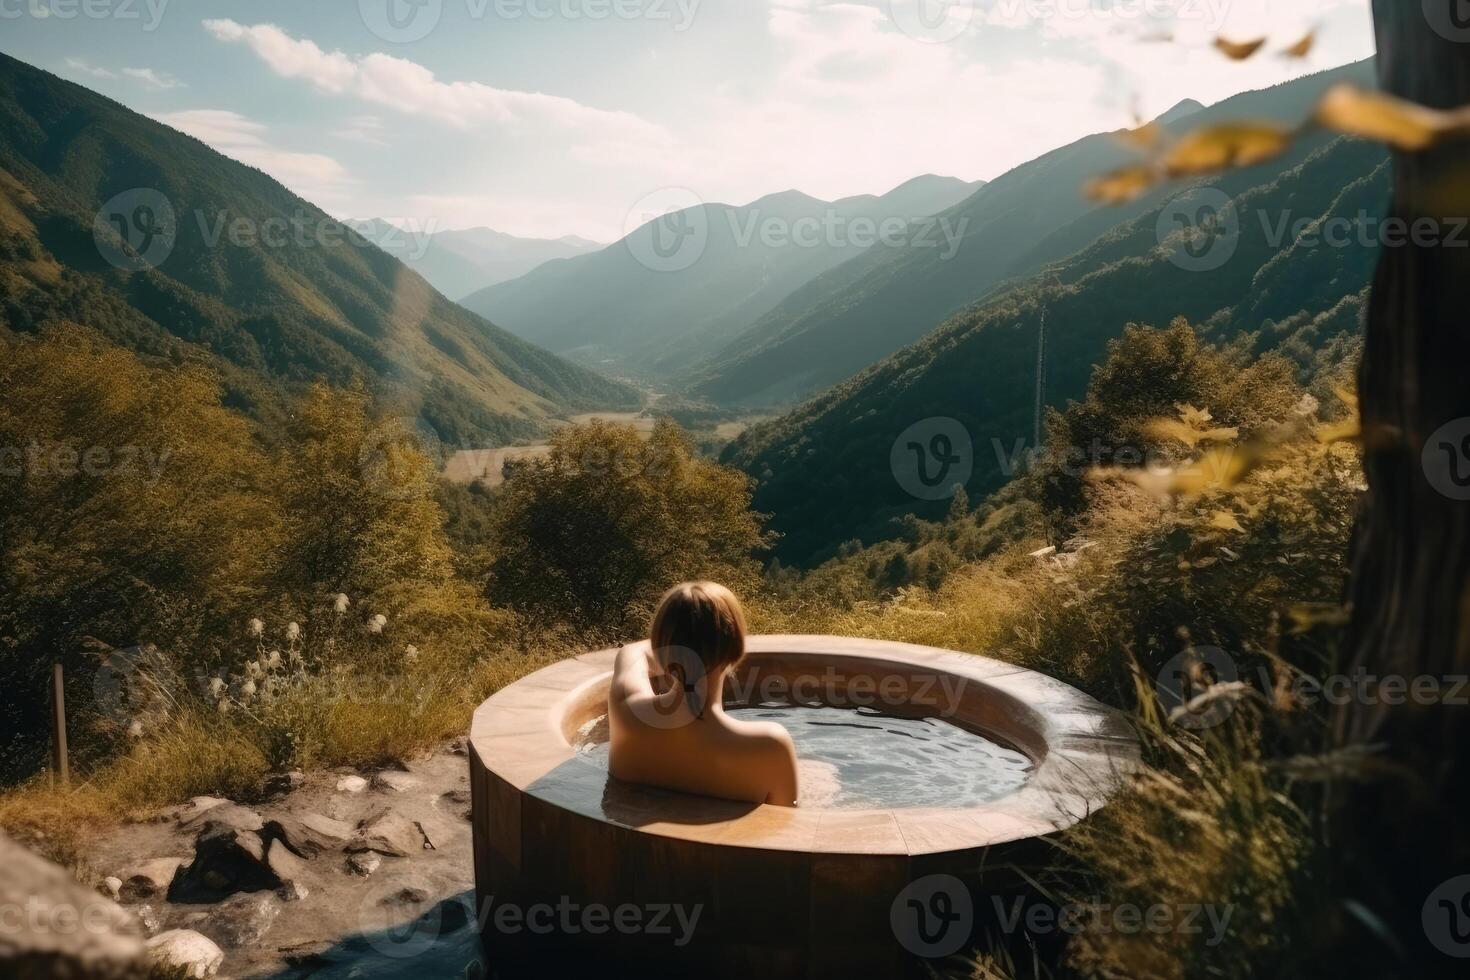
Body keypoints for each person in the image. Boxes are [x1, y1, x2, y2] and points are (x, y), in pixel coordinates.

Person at [608, 581, 799, 807]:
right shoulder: (769, 746)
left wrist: (676, 649)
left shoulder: (625, 708)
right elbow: (788, 827)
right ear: (736, 652)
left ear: (661, 652)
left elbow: (633, 651)